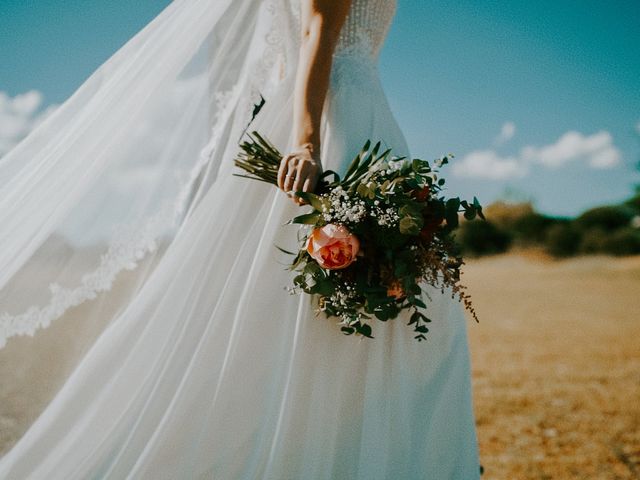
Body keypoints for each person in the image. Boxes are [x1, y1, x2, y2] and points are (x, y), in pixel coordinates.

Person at [0, 0, 480, 478]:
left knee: (389, 299)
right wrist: (307, 143)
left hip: (357, 112)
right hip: (336, 117)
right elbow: (316, 30)